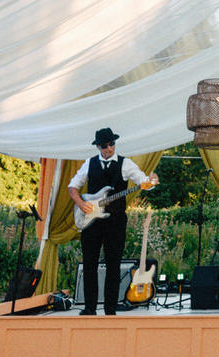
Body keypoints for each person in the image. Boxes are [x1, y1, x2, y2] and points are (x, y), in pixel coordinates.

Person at [68, 127, 158, 315]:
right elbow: (72, 187)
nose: (109, 148)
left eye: (112, 144)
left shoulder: (126, 164)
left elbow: (144, 182)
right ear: (98, 147)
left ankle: (110, 309)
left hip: (115, 221)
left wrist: (151, 181)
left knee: (113, 264)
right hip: (91, 222)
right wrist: (81, 203)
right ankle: (89, 308)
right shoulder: (89, 163)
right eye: (104, 145)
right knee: (89, 263)